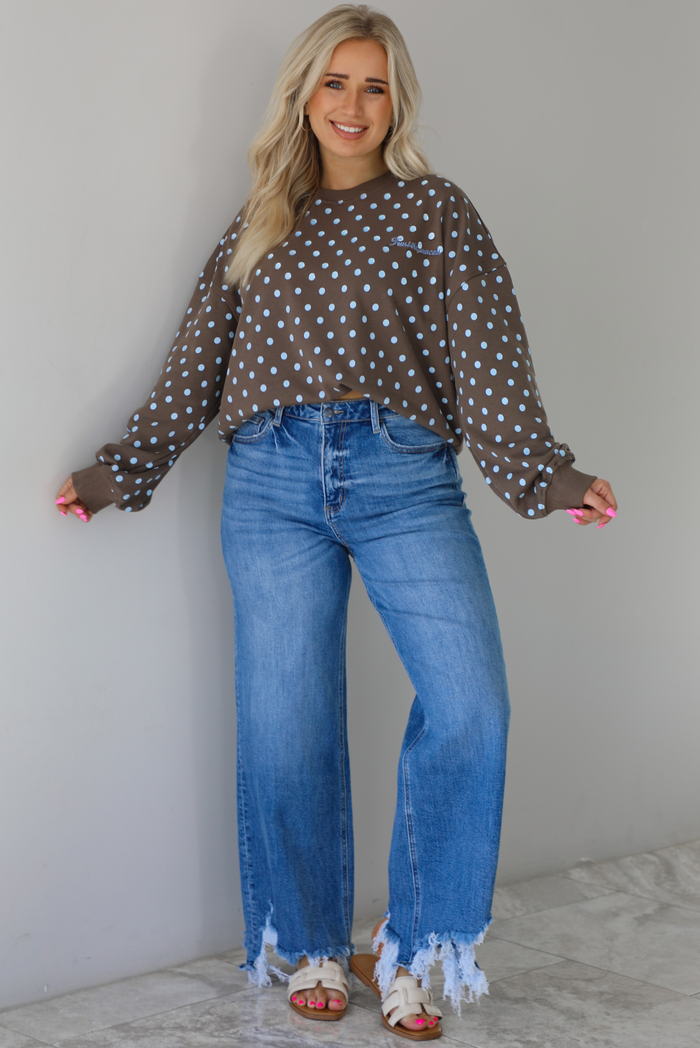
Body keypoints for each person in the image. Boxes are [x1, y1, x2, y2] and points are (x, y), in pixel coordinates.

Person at [55, 4, 617, 1040]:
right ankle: (314, 941)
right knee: (287, 721)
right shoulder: (261, 215)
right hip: (268, 480)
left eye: (372, 84)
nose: (352, 104)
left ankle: (409, 944)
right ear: (302, 96)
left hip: (404, 475)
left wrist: (544, 473)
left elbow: (487, 358)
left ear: (395, 98)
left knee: (471, 701)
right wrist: (117, 472)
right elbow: (197, 363)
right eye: (334, 82)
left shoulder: (437, 212)